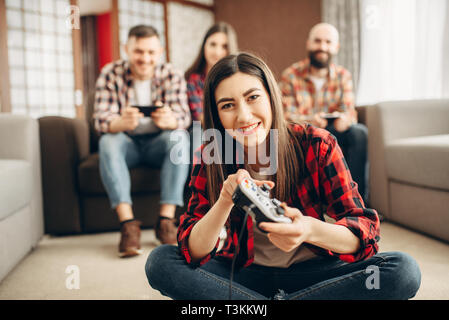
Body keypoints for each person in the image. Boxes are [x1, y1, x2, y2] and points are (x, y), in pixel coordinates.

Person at [144, 53, 421, 300]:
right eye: (227, 105)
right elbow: (195, 251)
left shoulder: (316, 144)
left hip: (316, 273)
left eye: (253, 97)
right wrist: (224, 201)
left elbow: (364, 232)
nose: (243, 115)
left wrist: (308, 230)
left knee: (402, 270)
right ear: (216, 114)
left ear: (271, 95)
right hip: (242, 276)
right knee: (161, 261)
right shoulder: (211, 155)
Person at [93, 25, 191, 257]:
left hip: (160, 141)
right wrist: (119, 123)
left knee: (179, 137)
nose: (144, 59)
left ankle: (166, 220)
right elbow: (100, 119)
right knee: (108, 141)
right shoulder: (110, 72)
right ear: (126, 49)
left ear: (160, 51)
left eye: (150, 52)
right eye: (138, 52)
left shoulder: (172, 74)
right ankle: (127, 224)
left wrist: (170, 120)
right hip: (126, 142)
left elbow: (184, 117)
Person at [279, 23, 369, 202]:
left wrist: (346, 119)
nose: (322, 46)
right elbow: (283, 114)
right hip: (302, 134)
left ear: (336, 47)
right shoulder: (291, 75)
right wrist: (309, 120)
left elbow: (350, 111)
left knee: (359, 133)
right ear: (308, 44)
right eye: (317, 41)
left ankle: (357, 202)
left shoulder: (343, 76)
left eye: (328, 42)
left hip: (335, 131)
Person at [185, 22, 238, 123]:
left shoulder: (236, 78)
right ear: (204, 45)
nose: (217, 52)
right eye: (213, 44)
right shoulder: (194, 79)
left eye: (224, 46)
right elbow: (200, 117)